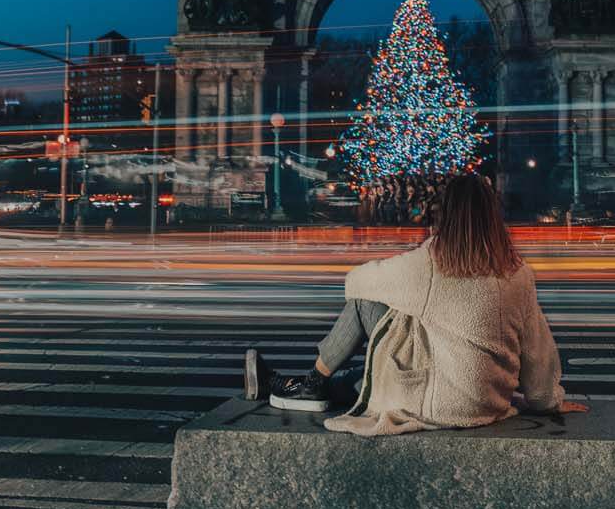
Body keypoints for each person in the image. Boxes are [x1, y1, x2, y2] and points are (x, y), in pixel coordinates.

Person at [244, 174, 584, 435]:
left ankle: (309, 382)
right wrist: (547, 400)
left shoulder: (432, 262)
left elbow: (356, 283)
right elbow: (538, 353)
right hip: (487, 401)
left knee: (366, 311)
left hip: (437, 402)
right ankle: (300, 384)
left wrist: (406, 295)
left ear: (446, 214)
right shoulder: (518, 272)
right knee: (374, 365)